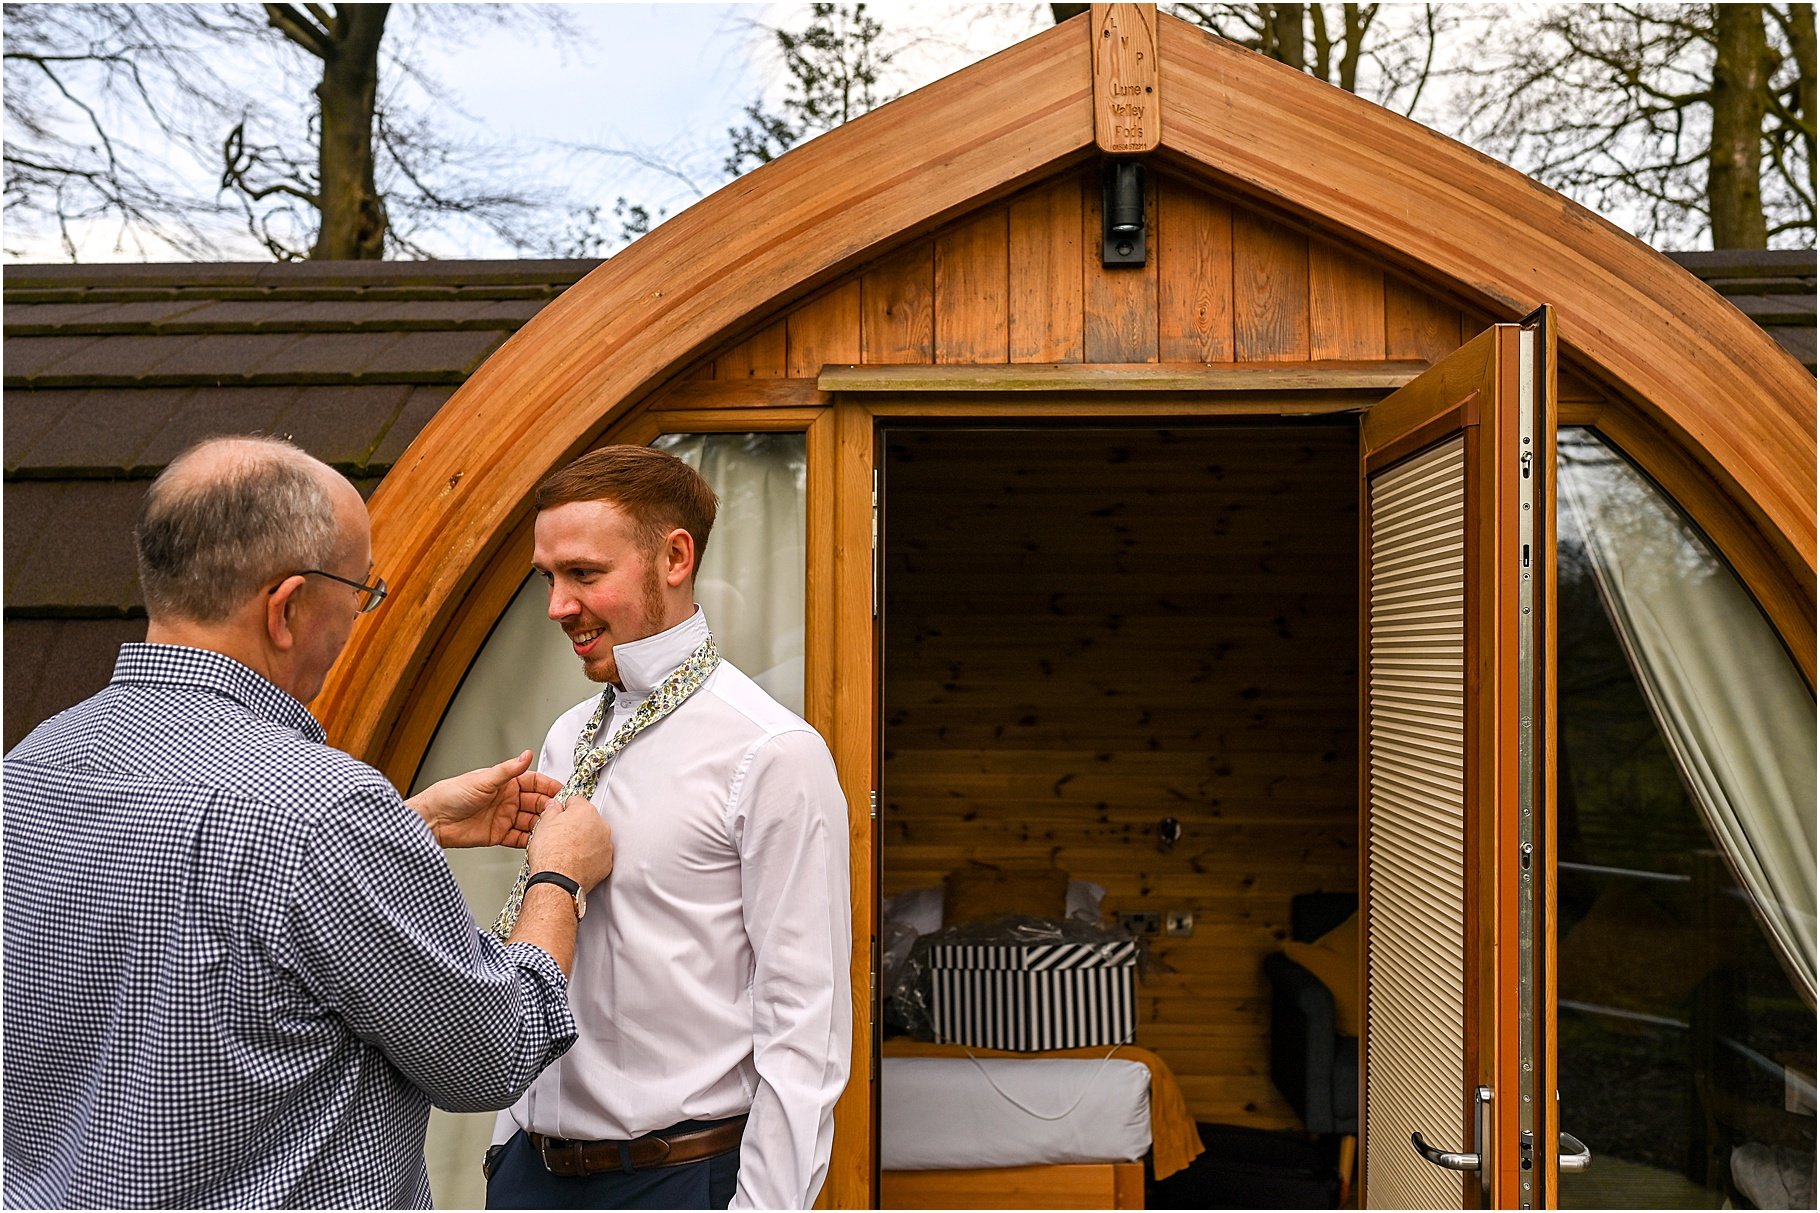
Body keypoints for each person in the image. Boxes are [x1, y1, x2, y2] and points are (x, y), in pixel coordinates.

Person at [1, 435, 615, 1209]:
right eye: (361, 592)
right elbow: (490, 1052)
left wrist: (405, 825)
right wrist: (556, 876)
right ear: (287, 607)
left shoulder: (30, 766)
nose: (359, 616)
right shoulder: (321, 814)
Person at [484, 446, 851, 1211]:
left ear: (675, 556)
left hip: (678, 1179)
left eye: (584, 574)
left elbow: (804, 1029)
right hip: (531, 1176)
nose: (556, 605)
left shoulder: (773, 754)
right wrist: (503, 1146)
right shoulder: (565, 739)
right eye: (548, 577)